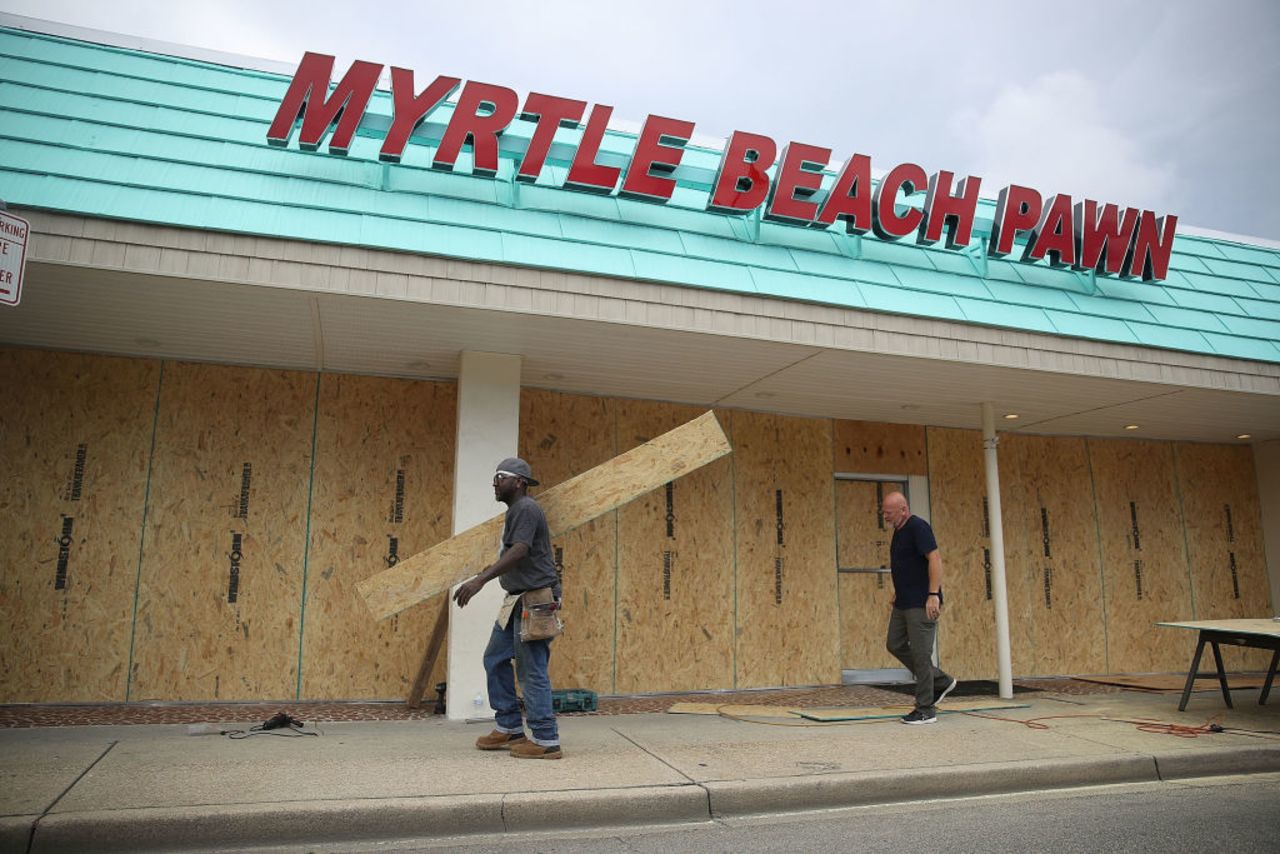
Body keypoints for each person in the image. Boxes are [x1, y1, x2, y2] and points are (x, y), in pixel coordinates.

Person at [452, 457, 563, 759]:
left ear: (519, 482)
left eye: (500, 477)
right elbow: (516, 554)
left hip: (536, 599)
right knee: (495, 658)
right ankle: (510, 727)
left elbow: (520, 550)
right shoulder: (516, 511)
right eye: (494, 477)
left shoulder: (526, 508)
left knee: (531, 669)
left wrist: (480, 580)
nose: (494, 483)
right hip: (517, 600)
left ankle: (545, 739)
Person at [881, 490, 957, 725]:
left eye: (889, 512)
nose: (884, 516)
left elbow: (934, 559)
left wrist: (933, 594)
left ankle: (925, 709)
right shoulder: (899, 531)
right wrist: (898, 590)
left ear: (903, 510)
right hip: (904, 601)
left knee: (921, 655)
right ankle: (940, 680)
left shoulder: (918, 527)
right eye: (883, 512)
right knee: (894, 643)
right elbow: (908, 565)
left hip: (922, 602)